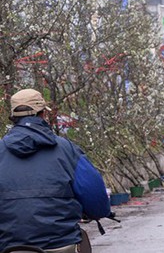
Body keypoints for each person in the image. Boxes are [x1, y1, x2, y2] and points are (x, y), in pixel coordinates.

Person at [0, 89, 111, 252]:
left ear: (13, 118)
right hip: (62, 245)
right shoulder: (68, 150)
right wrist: (96, 212)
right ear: (43, 114)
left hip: (9, 247)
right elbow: (97, 201)